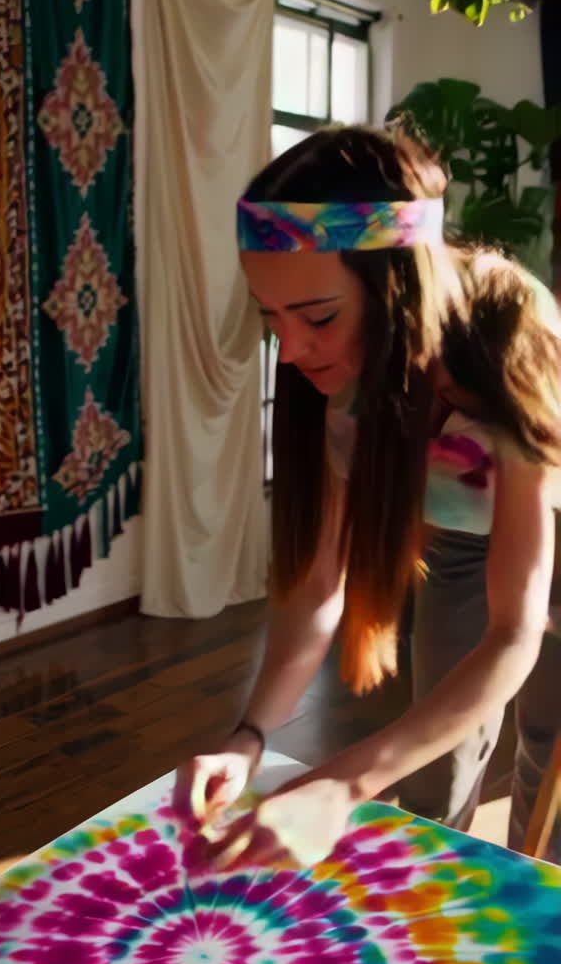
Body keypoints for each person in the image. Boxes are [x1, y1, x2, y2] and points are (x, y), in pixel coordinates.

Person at [175, 123, 561, 872]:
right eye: (271, 320)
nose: (291, 350)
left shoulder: (514, 335)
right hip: (456, 537)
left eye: (317, 318)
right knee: (432, 764)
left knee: (546, 740)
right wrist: (249, 738)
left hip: (552, 529)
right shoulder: (336, 377)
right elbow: (319, 584)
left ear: (397, 286)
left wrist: (342, 784)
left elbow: (515, 632)